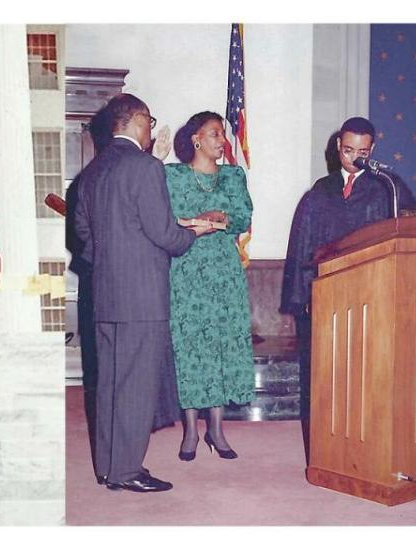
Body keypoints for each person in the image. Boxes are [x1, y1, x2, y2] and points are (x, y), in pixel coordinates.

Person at [73, 93, 214, 493]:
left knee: (110, 385)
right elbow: (164, 234)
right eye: (150, 123)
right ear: (137, 122)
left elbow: (86, 234)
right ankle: (127, 470)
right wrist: (192, 232)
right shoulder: (146, 167)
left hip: (105, 296)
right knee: (134, 386)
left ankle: (108, 468)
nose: (152, 131)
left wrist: (117, 259)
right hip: (142, 298)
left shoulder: (92, 171)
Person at [281, 116, 393, 463]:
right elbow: (302, 246)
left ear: (371, 150)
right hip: (325, 298)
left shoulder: (383, 190)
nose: (354, 158)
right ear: (337, 148)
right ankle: (326, 449)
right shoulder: (321, 190)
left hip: (367, 298)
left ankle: (363, 446)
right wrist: (303, 298)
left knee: (363, 374)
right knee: (323, 375)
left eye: (362, 152)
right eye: (347, 150)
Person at [162, 111, 254, 461]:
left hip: (224, 272)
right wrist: (195, 221)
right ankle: (190, 432)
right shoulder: (172, 175)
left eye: (223, 134)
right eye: (214, 133)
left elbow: (244, 216)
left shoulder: (233, 175)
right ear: (196, 139)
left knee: (220, 346)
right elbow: (164, 217)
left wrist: (224, 218)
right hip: (186, 269)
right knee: (190, 348)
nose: (222, 140)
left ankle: (216, 430)